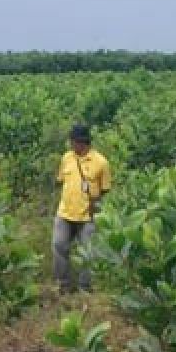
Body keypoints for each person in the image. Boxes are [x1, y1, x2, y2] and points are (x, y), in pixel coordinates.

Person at [53, 124, 111, 292]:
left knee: (89, 252)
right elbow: (61, 180)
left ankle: (85, 288)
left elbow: (105, 189)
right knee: (59, 246)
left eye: (74, 142)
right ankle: (63, 285)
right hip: (65, 212)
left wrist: (94, 205)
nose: (72, 145)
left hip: (88, 215)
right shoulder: (67, 158)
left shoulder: (101, 163)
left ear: (83, 142)